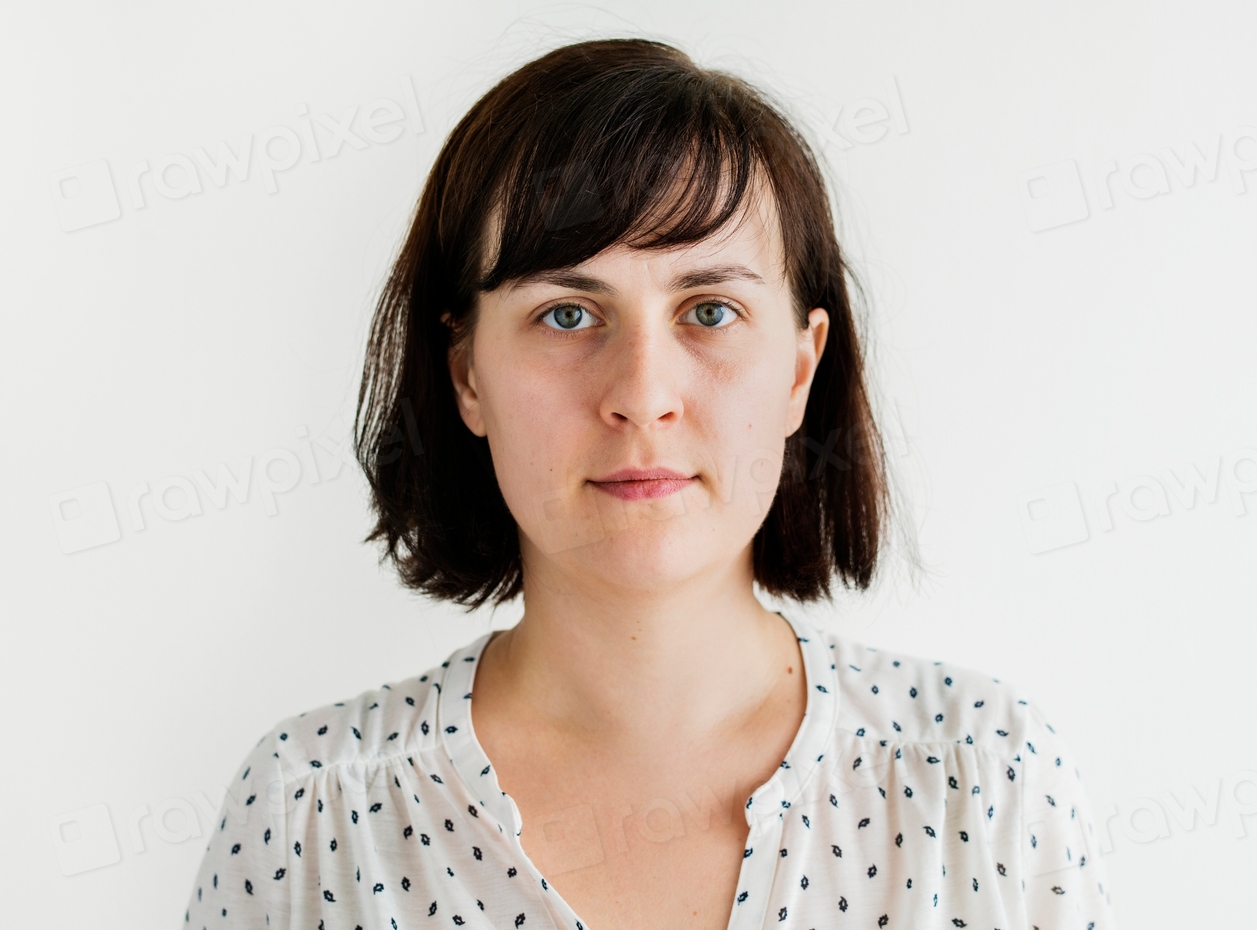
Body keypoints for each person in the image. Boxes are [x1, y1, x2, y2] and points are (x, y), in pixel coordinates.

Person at [183, 37, 1117, 930]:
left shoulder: (985, 780)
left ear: (800, 369)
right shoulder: (308, 813)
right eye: (566, 314)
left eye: (709, 310)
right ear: (467, 373)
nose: (641, 395)